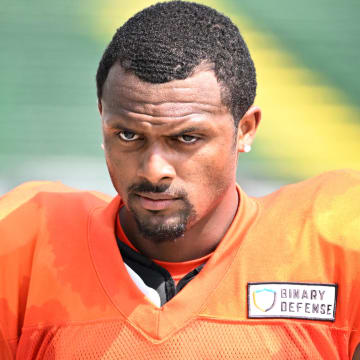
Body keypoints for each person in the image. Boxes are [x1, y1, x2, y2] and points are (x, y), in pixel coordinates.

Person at [0, 1, 359, 358]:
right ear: (103, 119)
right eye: (128, 136)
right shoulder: (26, 245)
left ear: (245, 130)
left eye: (186, 138)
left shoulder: (329, 247)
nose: (154, 170)